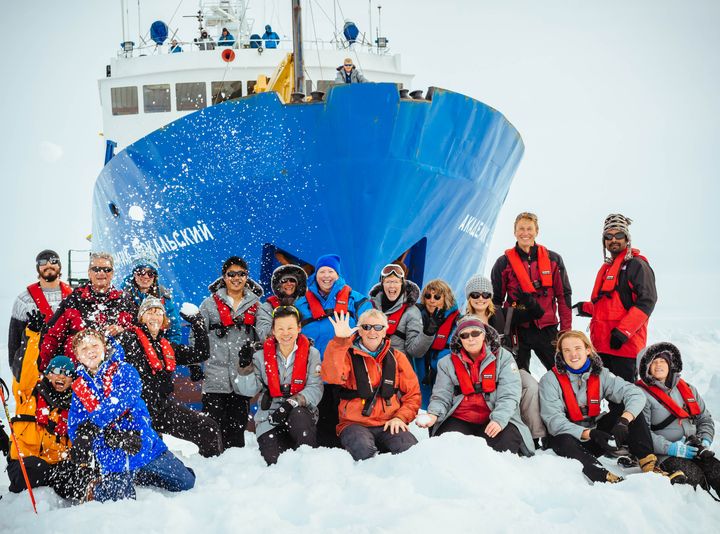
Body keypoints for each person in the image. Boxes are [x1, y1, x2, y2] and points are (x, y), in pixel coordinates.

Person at [539, 330, 685, 484]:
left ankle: (649, 465)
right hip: (567, 439)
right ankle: (603, 476)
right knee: (564, 440)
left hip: (597, 438)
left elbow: (635, 394)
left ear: (588, 350)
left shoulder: (601, 374)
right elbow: (554, 421)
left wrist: (624, 420)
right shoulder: (550, 380)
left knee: (631, 412)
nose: (573, 354)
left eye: (577, 348)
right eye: (566, 350)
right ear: (561, 354)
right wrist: (589, 433)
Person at [68, 329, 195, 502]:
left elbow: (123, 400)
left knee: (187, 482)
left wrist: (96, 425)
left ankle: (138, 474)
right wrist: (100, 439)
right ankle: (97, 488)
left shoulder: (124, 370)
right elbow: (76, 427)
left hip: (145, 447)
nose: (90, 351)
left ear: (104, 347)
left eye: (94, 345)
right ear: (77, 356)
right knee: (122, 503)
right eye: (83, 349)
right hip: (113, 458)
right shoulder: (79, 388)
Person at [574, 213, 657, 419]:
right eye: (608, 236)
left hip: (624, 348)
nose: (613, 240)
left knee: (625, 397)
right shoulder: (608, 267)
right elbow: (607, 306)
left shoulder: (637, 265)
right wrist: (583, 308)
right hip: (603, 346)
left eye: (618, 234)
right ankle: (611, 435)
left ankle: (632, 438)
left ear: (627, 238)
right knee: (609, 398)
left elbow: (647, 301)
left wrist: (623, 332)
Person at [118, 297, 223, 458]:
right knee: (148, 455)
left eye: (159, 313)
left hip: (162, 410)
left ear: (164, 320)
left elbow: (201, 354)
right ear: (141, 318)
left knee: (208, 428)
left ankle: (212, 470)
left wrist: (198, 324)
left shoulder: (166, 346)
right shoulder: (127, 340)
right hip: (136, 413)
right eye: (150, 312)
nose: (155, 316)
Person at [417, 315, 535, 456]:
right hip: (461, 418)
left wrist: (498, 420)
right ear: (459, 339)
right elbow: (441, 395)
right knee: (447, 446)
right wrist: (433, 415)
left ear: (484, 335)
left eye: (475, 333)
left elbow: (510, 394)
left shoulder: (504, 358)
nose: (470, 338)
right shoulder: (446, 363)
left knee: (505, 443)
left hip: (492, 417)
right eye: (465, 335)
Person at [7, 311, 90, 500]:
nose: (61, 376)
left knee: (77, 476)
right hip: (25, 464)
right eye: (56, 372)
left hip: (55, 465)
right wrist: (33, 333)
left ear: (72, 380)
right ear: (47, 374)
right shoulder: (30, 393)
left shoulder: (74, 407)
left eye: (67, 374)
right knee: (33, 468)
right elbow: (27, 365)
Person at [294, 253, 372, 447]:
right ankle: (317, 448)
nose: (326, 275)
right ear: (316, 274)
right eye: (322, 271)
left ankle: (346, 446)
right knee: (318, 411)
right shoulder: (301, 303)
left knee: (343, 410)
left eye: (331, 271)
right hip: (313, 368)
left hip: (345, 369)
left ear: (338, 274)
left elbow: (371, 326)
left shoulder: (356, 300)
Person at [322, 309, 420, 461]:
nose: (372, 331)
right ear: (359, 330)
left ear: (385, 330)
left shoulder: (397, 357)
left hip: (389, 422)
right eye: (366, 327)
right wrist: (340, 341)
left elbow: (413, 395)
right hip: (354, 424)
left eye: (378, 327)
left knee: (410, 451)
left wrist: (401, 417)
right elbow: (332, 377)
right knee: (363, 452)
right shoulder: (346, 354)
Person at [233, 306, 323, 465]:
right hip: (269, 418)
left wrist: (291, 404)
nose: (286, 333)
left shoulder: (312, 353)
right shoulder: (260, 356)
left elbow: (315, 388)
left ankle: (308, 465)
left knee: (300, 420)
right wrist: (245, 367)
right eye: (280, 328)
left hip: (299, 413)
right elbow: (248, 391)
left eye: (290, 328)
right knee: (274, 461)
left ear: (299, 328)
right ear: (273, 331)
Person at [464, 275, 547, 445]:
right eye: (475, 295)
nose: (481, 299)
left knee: (531, 386)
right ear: (468, 297)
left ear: (491, 296)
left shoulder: (504, 314)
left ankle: (535, 436)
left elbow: (537, 313)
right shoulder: (463, 322)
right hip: (479, 371)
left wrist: (527, 299)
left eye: (485, 294)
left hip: (509, 366)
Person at [491, 212, 572, 372]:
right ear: (515, 232)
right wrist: (498, 334)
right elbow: (496, 303)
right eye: (521, 229)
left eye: (529, 229)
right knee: (516, 377)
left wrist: (565, 332)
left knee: (561, 374)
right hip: (517, 330)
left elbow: (564, 297)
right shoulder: (503, 263)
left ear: (537, 231)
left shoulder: (554, 260)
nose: (525, 233)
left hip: (547, 329)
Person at [636, 342, 719, 495]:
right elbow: (642, 434)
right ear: (645, 368)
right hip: (664, 454)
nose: (659, 365)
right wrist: (673, 448)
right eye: (653, 362)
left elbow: (705, 419)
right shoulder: (640, 395)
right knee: (695, 478)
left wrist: (705, 441)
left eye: (662, 361)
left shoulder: (688, 389)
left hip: (695, 449)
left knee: (716, 472)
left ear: (670, 364)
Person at [199, 256, 263, 449]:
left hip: (241, 377)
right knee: (211, 428)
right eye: (231, 274)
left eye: (241, 274)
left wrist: (253, 356)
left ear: (247, 277)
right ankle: (209, 467)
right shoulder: (209, 305)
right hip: (214, 378)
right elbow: (197, 336)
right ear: (224, 277)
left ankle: (234, 469)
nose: (236, 278)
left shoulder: (257, 306)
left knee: (237, 427)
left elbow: (263, 338)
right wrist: (195, 364)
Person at [38, 252, 136, 370]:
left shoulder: (124, 302)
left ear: (112, 273)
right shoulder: (74, 300)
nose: (101, 273)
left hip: (115, 375)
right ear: (89, 273)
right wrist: (45, 369)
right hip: (78, 374)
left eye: (106, 270)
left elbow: (137, 333)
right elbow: (52, 336)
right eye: (96, 269)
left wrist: (122, 330)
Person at [8, 249, 73, 367]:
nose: (48, 265)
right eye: (43, 262)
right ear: (38, 268)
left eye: (53, 261)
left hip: (67, 370)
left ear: (59, 266)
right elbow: (14, 342)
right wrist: (18, 371)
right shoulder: (24, 300)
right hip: (35, 368)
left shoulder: (73, 296)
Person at [368, 263, 433, 364]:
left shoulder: (411, 312)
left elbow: (415, 352)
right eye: (388, 281)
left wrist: (428, 334)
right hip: (371, 366)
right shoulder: (370, 308)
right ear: (382, 284)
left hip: (397, 369)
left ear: (402, 284)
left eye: (396, 282)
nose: (392, 286)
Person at [415, 279, 460, 408]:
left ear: (446, 298)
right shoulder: (416, 316)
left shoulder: (457, 321)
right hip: (422, 373)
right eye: (428, 296)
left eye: (437, 297)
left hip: (444, 376)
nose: (432, 300)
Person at [121, 252, 182, 343]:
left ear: (155, 277)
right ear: (134, 274)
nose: (146, 276)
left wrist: (170, 350)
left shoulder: (164, 299)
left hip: (158, 351)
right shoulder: (122, 298)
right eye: (141, 272)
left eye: (150, 273)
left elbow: (174, 330)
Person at [256, 264, 308, 340]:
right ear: (278, 285)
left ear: (298, 284)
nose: (289, 283)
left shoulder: (307, 304)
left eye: (292, 280)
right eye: (284, 281)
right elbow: (264, 333)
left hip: (303, 349)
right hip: (276, 350)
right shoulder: (267, 307)